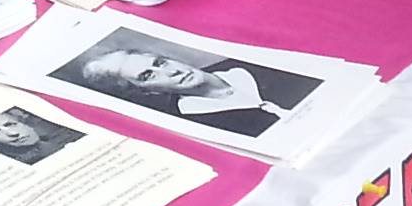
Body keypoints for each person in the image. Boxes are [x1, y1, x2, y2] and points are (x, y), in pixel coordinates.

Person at [63, 40, 313, 137]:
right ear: (147, 92)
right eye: (149, 75)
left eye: (159, 62)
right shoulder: (195, 126)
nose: (172, 71)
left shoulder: (247, 63)